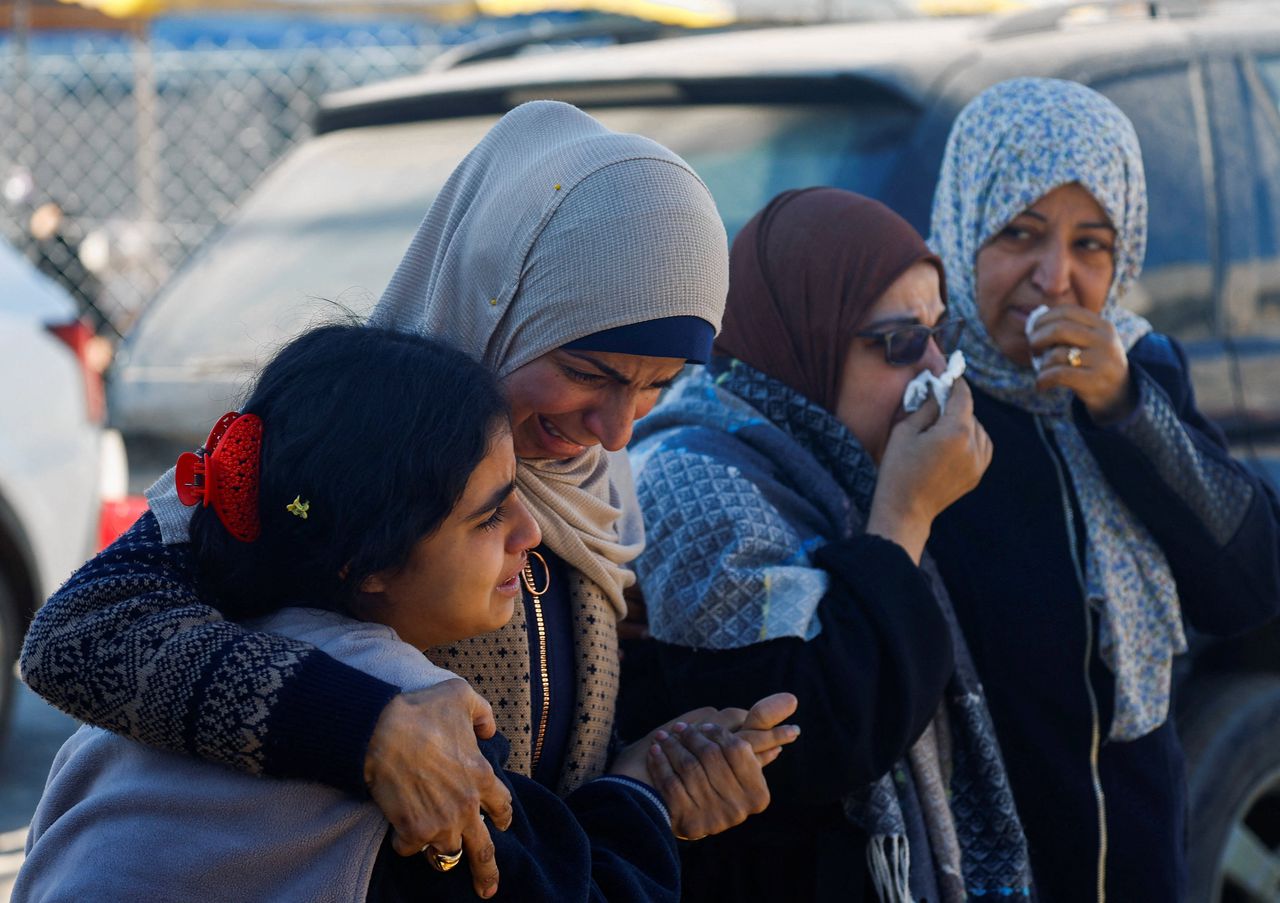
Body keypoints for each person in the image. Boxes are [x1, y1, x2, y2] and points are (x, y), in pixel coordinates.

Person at [19, 100, 757, 897]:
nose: (616, 432)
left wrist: (658, 772)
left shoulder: (595, 500)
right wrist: (364, 727)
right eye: (589, 373)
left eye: (658, 387)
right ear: (503, 298)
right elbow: (80, 637)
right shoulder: (347, 459)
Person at [16, 324, 797, 902]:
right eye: (491, 514)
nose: (531, 532)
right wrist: (646, 800)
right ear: (369, 563)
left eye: (658, 384)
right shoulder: (422, 739)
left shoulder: (144, 693)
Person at [924, 77, 1280, 901]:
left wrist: (1126, 411)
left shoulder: (1140, 368)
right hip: (996, 857)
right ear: (962, 225)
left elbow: (1249, 579)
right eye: (1019, 232)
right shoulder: (924, 401)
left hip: (1137, 840)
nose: (1057, 279)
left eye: (1093, 244)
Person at [624, 187, 1033, 902]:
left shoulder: (827, 470)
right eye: (903, 342)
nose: (938, 370)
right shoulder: (692, 480)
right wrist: (903, 516)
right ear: (802, 335)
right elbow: (822, 729)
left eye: (943, 333)